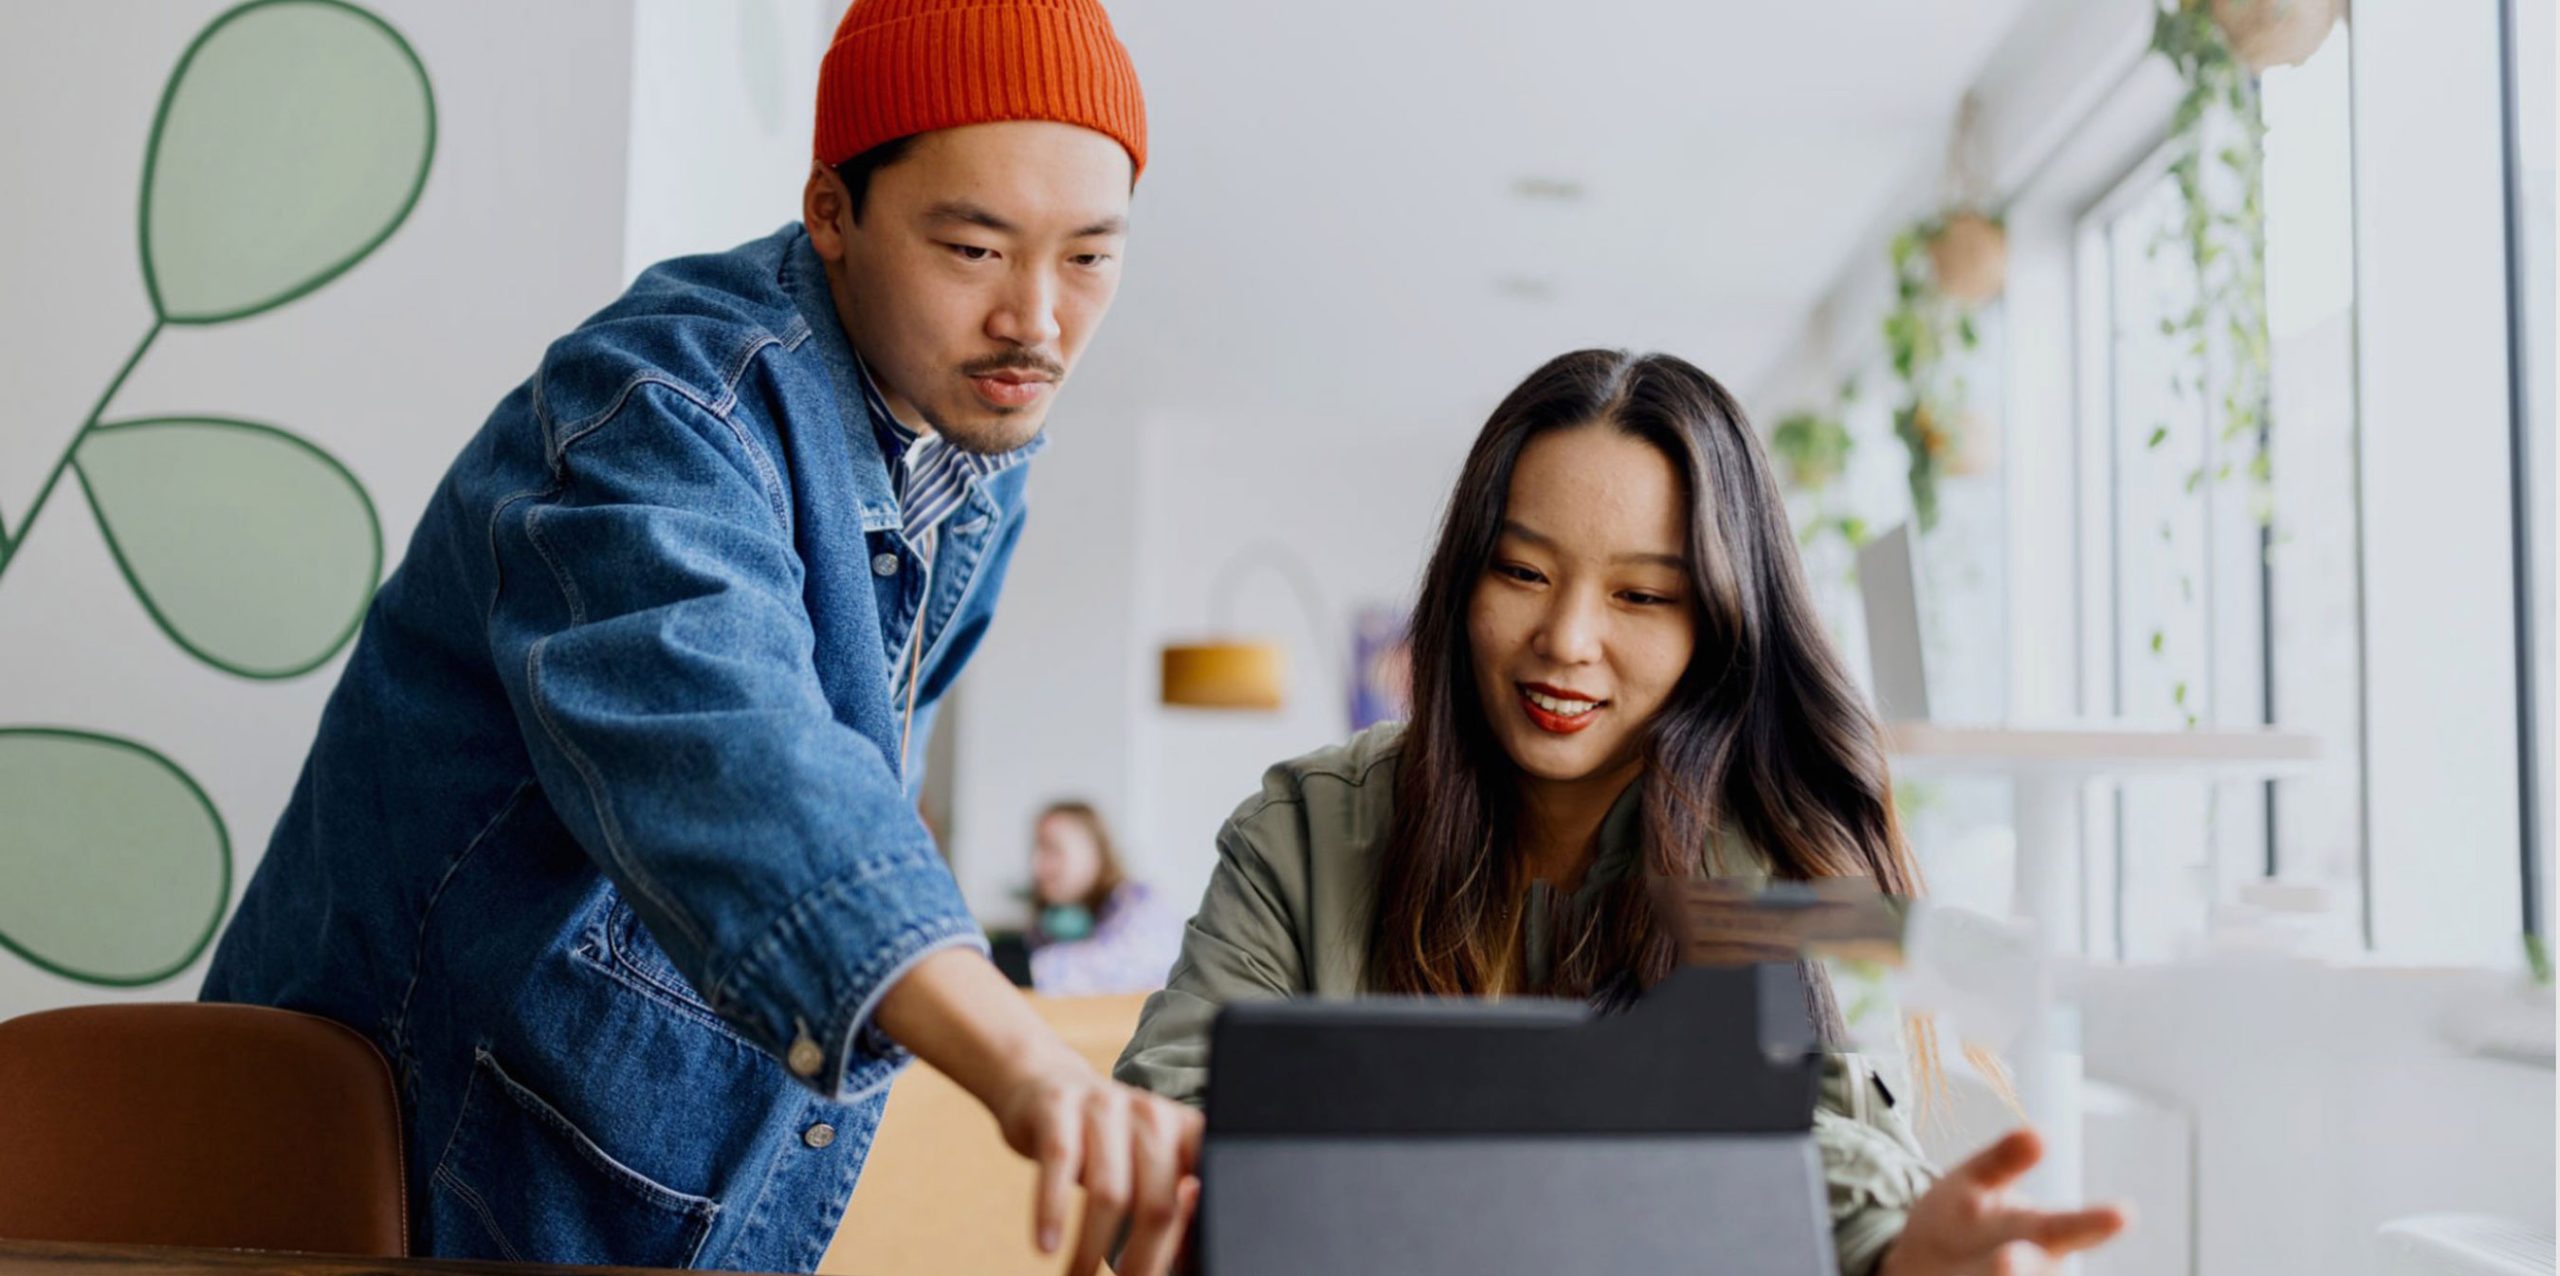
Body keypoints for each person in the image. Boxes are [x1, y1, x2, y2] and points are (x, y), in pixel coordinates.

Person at [200, 3, 1199, 1272]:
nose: (1036, 321)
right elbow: (738, 758)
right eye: (973, 248)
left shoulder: (971, 463)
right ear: (833, 212)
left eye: (1089, 260)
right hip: (408, 1185)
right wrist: (1033, 1071)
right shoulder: (660, 408)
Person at [1114, 350, 2129, 1276]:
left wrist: (1900, 1255)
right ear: (1462, 578)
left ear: (1721, 623)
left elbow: (1810, 1134)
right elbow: (1162, 1125)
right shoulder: (1303, 826)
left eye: (1641, 595)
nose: (1564, 639)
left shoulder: (1780, 854)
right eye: (1521, 572)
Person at [1024, 800, 1182, 995]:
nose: (1036, 865)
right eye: (1036, 850)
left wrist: (1023, 969)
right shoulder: (1049, 924)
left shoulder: (1141, 903)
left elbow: (1130, 968)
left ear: (1095, 850)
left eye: (1052, 849)